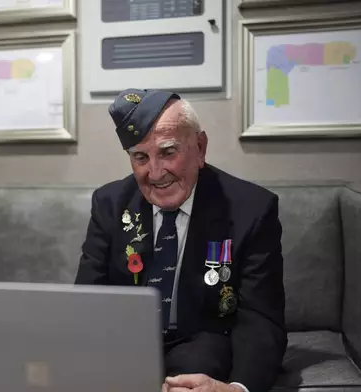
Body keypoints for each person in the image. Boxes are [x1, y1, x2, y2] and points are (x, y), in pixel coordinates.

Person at [75, 88, 287, 392]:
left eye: (168, 152)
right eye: (140, 157)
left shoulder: (251, 209)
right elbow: (87, 300)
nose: (155, 172)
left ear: (199, 148)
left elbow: (260, 317)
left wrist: (238, 389)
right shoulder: (109, 203)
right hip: (126, 344)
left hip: (202, 342)